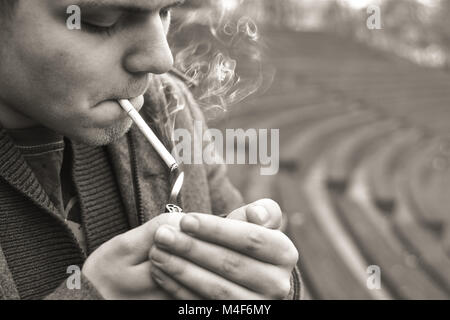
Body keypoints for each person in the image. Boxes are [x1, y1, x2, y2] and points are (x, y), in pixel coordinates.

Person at [0, 0, 302, 300]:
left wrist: (257, 283)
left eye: (165, 11)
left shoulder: (168, 109)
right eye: (101, 20)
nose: (161, 59)